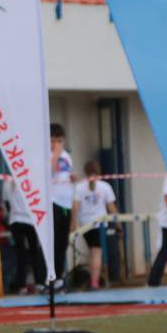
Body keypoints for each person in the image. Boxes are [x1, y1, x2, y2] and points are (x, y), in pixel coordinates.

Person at [72, 159, 118, 289]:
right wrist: (118, 223)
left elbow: (75, 207)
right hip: (99, 224)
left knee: (92, 251)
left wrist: (74, 224)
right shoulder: (105, 187)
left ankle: (94, 279)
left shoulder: (79, 187)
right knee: (97, 252)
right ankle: (94, 282)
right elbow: (111, 207)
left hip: (85, 224)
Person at [0, 174, 46, 293]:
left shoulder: (7, 182)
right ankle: (39, 283)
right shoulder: (32, 180)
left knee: (21, 254)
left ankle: (22, 286)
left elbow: (6, 204)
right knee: (34, 252)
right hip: (30, 221)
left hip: (15, 220)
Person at [48, 124, 75, 287]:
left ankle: (59, 276)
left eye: (59, 141)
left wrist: (72, 178)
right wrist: (55, 154)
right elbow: (48, 171)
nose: (56, 144)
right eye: (53, 141)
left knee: (62, 242)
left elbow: (65, 174)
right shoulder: (48, 155)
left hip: (66, 202)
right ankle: (48, 277)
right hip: (53, 201)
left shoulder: (66, 156)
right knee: (52, 240)